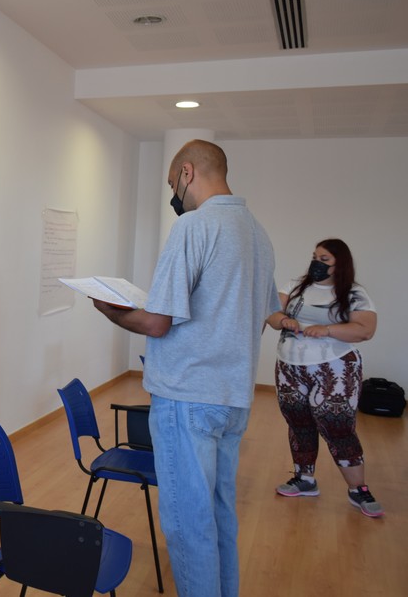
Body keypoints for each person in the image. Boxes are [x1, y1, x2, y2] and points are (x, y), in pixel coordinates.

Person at [91, 140, 279, 597]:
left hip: (187, 399)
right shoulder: (258, 234)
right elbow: (261, 318)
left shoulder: (194, 227)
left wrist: (109, 309)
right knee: (218, 519)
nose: (173, 194)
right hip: (233, 399)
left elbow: (156, 322)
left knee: (187, 527)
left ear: (187, 173)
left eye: (172, 183)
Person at [265, 238, 380, 516]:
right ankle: (305, 479)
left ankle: (358, 490)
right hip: (290, 366)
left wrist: (327, 330)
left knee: (337, 426)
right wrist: (284, 321)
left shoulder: (353, 292)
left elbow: (365, 330)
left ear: (340, 263)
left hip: (335, 368)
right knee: (299, 422)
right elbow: (271, 313)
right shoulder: (295, 286)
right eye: (315, 256)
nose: (317, 262)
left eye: (324, 259)